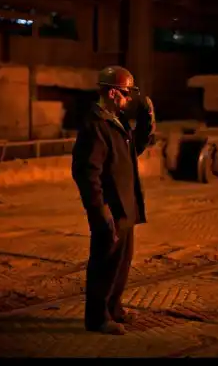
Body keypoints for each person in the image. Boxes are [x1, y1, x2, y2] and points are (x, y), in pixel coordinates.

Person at [72, 66, 156, 335]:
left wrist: (147, 123)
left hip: (125, 207)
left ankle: (114, 309)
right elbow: (87, 174)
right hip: (110, 209)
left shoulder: (116, 121)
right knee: (104, 265)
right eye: (126, 93)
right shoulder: (95, 126)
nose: (129, 99)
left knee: (121, 264)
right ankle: (97, 318)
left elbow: (132, 151)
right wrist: (100, 211)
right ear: (112, 93)